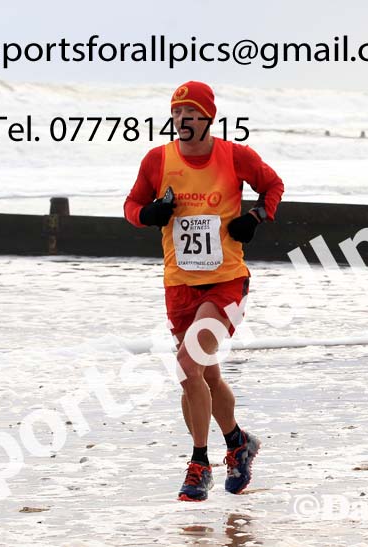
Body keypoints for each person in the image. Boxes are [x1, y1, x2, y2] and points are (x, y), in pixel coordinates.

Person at [124, 81, 284, 501]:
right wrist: (149, 213)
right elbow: (131, 207)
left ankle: (199, 465)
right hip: (179, 284)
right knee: (206, 374)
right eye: (177, 113)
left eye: (192, 113)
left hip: (227, 280)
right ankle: (238, 443)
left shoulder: (234, 155)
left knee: (185, 364)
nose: (183, 121)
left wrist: (256, 216)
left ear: (208, 117)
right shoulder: (158, 159)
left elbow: (273, 185)